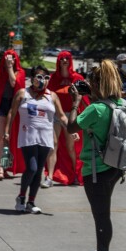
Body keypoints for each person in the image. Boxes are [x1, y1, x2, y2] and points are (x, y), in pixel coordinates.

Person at [66, 59, 126, 251]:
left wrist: (75, 102)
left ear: (98, 84)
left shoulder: (96, 109)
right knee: (104, 213)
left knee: (101, 216)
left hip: (96, 170)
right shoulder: (121, 104)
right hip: (115, 166)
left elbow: (71, 126)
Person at [5, 65, 67, 214]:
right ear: (32, 79)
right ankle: (21, 197)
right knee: (31, 168)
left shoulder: (52, 96)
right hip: (28, 135)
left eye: (46, 77)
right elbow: (11, 113)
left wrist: (70, 130)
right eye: (39, 77)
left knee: (39, 170)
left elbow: (61, 115)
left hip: (45, 136)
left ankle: (31, 201)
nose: (43, 80)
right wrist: (7, 131)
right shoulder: (22, 93)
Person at [44, 51, 87, 187]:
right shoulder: (53, 79)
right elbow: (47, 96)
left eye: (67, 58)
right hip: (56, 115)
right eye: (61, 58)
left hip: (70, 115)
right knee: (53, 145)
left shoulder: (77, 77)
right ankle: (49, 177)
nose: (64, 61)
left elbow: (84, 98)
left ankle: (75, 174)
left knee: (71, 147)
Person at [0, 50, 26, 180]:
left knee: (9, 139)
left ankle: (6, 166)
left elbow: (14, 83)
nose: (10, 60)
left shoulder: (21, 72)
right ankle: (0, 169)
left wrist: (9, 68)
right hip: (1, 107)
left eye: (13, 58)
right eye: (8, 58)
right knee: (0, 138)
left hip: (13, 107)